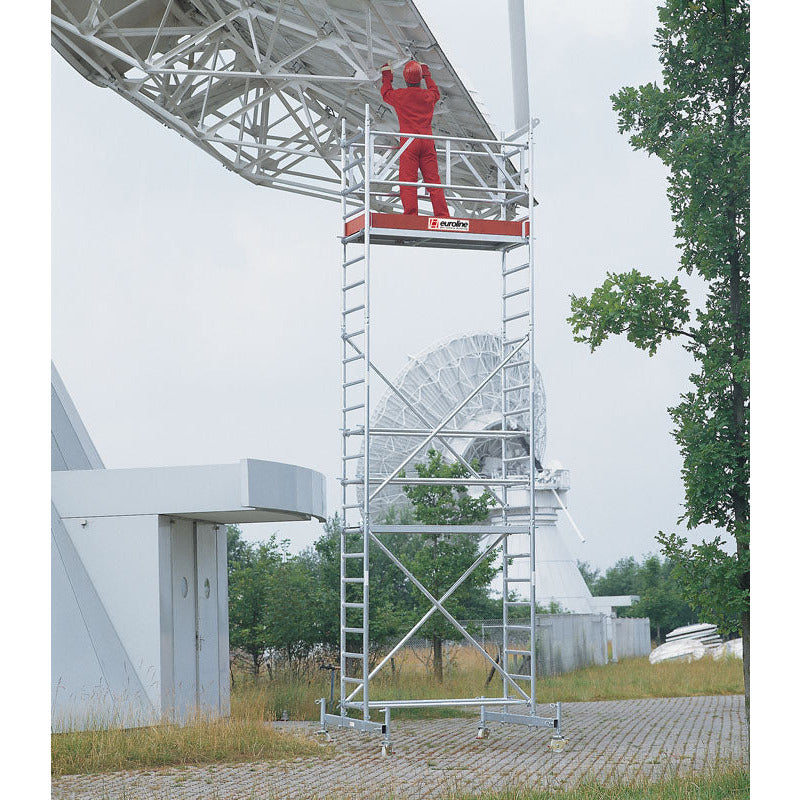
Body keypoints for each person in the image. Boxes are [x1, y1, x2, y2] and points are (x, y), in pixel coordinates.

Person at [380, 60, 451, 218]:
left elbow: (386, 93)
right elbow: (435, 92)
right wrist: (426, 73)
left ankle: (411, 215)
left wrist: (387, 75)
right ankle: (443, 215)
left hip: (409, 142)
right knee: (433, 181)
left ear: (405, 79)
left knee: (408, 181)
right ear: (420, 79)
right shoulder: (428, 96)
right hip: (426, 141)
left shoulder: (400, 96)